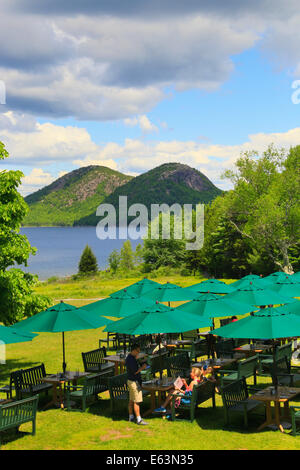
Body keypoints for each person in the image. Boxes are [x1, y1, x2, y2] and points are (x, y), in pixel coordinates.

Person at [125, 343, 148, 425]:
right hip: (134, 382)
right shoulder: (131, 360)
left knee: (131, 400)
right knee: (137, 401)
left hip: (131, 381)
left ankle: (131, 416)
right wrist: (142, 368)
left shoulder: (131, 358)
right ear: (134, 350)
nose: (138, 352)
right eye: (138, 351)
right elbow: (135, 371)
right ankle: (139, 419)